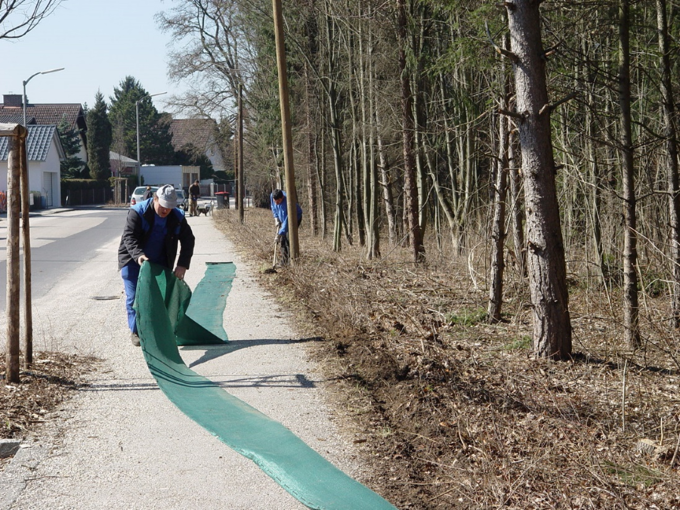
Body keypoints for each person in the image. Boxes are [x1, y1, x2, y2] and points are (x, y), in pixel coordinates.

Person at [118, 184, 195, 346]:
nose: (165, 211)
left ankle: (155, 329)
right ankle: (137, 331)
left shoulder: (177, 217)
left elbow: (188, 240)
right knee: (135, 298)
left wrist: (182, 264)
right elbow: (129, 237)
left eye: (169, 207)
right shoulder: (138, 212)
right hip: (132, 261)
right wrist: (139, 255)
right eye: (163, 206)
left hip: (159, 261)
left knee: (157, 298)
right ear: (155, 199)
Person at [270, 189, 302, 265]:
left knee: (288, 238)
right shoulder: (272, 196)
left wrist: (279, 234)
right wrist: (276, 218)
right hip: (283, 218)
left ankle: (291, 261)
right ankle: (284, 261)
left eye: (278, 201)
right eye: (275, 201)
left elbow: (286, 223)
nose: (276, 203)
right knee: (283, 241)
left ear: (282, 198)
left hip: (294, 218)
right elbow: (273, 207)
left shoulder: (288, 204)